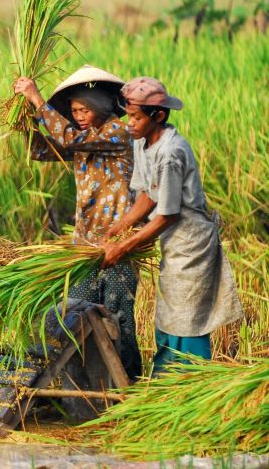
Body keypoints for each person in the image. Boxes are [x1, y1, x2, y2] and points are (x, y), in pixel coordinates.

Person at [101, 76, 243, 374]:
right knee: (168, 310)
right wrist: (121, 226)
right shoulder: (142, 141)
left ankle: (191, 380)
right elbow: (147, 196)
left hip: (191, 242)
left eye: (137, 117)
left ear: (159, 116)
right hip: (171, 239)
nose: (130, 123)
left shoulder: (171, 153)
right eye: (128, 115)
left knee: (187, 314)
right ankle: (167, 380)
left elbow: (168, 214)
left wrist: (125, 247)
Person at [14, 65, 142, 380]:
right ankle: (91, 388)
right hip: (85, 245)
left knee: (118, 319)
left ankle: (129, 385)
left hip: (117, 245)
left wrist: (36, 99)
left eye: (85, 109)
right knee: (80, 316)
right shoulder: (84, 142)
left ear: (100, 107)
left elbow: (68, 138)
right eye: (74, 111)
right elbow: (44, 150)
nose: (80, 115)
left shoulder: (116, 133)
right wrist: (26, 124)